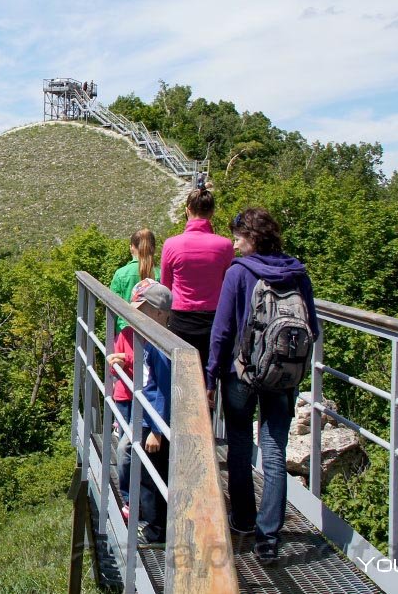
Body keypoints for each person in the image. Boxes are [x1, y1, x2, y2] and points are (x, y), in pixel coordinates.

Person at [207, 207, 320, 566]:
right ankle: (268, 538)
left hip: (240, 373)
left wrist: (211, 376)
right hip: (283, 376)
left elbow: (222, 330)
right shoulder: (297, 273)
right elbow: (313, 329)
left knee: (240, 444)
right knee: (273, 450)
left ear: (253, 238)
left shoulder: (238, 272)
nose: (234, 244)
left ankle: (243, 520)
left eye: (239, 237)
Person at [108, 280, 173, 544]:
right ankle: (154, 525)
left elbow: (165, 391)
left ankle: (156, 532)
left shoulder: (161, 346)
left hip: (153, 421)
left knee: (152, 478)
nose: (135, 317)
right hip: (148, 416)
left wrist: (157, 430)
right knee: (147, 473)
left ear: (158, 313)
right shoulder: (155, 340)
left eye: (141, 311)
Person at [107, 230, 160, 512]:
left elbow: (113, 307)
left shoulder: (121, 274)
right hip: (154, 340)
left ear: (131, 248)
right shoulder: (160, 273)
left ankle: (130, 497)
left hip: (126, 339)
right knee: (150, 387)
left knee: (128, 392)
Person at [160, 180, 232, 373]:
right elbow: (228, 284)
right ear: (212, 212)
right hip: (214, 320)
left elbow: (166, 285)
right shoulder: (225, 246)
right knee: (210, 373)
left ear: (187, 210)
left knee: (182, 373)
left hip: (180, 319)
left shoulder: (171, 244)